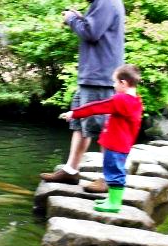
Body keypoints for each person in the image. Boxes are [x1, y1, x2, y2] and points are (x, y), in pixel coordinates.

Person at [41, 0, 125, 186]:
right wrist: (80, 18)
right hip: (91, 76)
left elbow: (91, 33)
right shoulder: (102, 0)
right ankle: (71, 170)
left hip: (100, 77)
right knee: (80, 124)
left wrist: (71, 19)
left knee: (101, 127)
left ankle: (108, 178)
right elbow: (92, 27)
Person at [59, 64, 143, 213]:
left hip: (116, 146)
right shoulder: (136, 101)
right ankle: (111, 198)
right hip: (122, 145)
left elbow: (97, 107)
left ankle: (114, 204)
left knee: (115, 173)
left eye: (115, 82)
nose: (113, 85)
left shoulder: (121, 100)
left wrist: (74, 113)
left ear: (123, 83)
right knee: (112, 172)